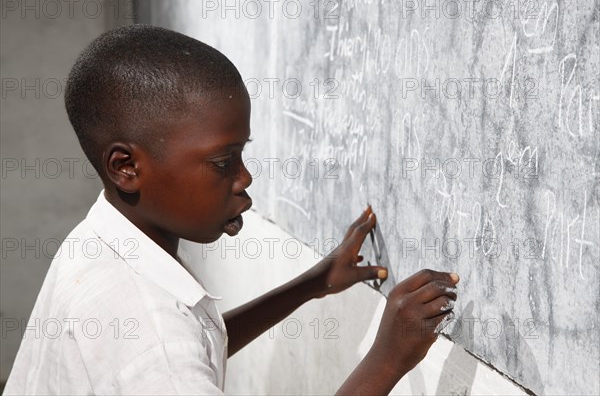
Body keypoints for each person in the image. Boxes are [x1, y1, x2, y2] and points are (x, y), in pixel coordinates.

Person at [4, 24, 459, 395]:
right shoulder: (151, 341)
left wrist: (313, 283)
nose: (244, 179)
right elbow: (168, 355)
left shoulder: (103, 241)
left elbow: (195, 344)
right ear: (126, 167)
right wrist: (389, 360)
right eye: (223, 162)